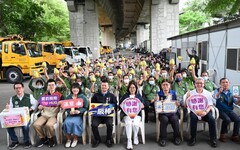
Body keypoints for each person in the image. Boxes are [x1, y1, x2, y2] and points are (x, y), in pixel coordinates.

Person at [185, 77, 217, 147]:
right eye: (197, 83)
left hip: (205, 111)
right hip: (194, 112)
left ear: (204, 84)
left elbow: (210, 105)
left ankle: (213, 139)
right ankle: (193, 138)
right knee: (193, 118)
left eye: (201, 83)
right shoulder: (191, 93)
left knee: (211, 119)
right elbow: (186, 105)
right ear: (195, 84)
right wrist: (187, 97)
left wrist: (205, 112)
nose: (199, 85)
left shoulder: (208, 93)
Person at [33, 79, 64, 148]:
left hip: (54, 115)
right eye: (49, 85)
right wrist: (39, 106)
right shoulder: (44, 95)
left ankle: (50, 138)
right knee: (36, 124)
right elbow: (39, 105)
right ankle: (43, 138)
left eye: (53, 85)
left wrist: (61, 103)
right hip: (44, 114)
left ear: (55, 86)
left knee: (49, 125)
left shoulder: (60, 95)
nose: (51, 86)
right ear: (47, 86)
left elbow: (64, 105)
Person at [6, 82, 38, 149]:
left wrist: (31, 109)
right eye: (16, 88)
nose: (18, 90)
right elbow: (11, 109)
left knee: (25, 125)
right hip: (16, 118)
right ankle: (15, 141)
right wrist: (8, 108)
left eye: (20, 88)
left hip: (26, 117)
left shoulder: (29, 96)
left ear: (23, 88)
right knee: (8, 126)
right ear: (14, 89)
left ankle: (26, 141)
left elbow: (35, 104)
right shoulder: (13, 98)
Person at [91, 78, 117, 148]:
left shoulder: (111, 96)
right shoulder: (96, 95)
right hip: (98, 115)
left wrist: (109, 107)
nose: (104, 87)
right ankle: (97, 139)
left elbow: (115, 105)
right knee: (93, 125)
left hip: (107, 115)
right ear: (100, 87)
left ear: (108, 87)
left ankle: (108, 139)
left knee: (109, 124)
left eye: (105, 86)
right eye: (103, 85)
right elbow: (92, 105)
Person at [119, 81, 144, 150]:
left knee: (135, 124)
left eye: (133, 87)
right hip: (127, 115)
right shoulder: (125, 96)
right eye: (130, 87)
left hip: (137, 115)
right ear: (128, 88)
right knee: (129, 123)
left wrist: (142, 106)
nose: (132, 89)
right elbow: (120, 105)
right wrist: (121, 105)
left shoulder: (139, 96)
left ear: (136, 88)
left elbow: (143, 105)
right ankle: (129, 140)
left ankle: (135, 136)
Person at [214, 78, 240, 142]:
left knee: (237, 119)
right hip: (221, 110)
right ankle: (222, 134)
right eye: (223, 82)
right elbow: (215, 97)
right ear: (220, 84)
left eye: (226, 82)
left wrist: (239, 99)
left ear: (229, 83)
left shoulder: (230, 92)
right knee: (227, 119)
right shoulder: (217, 91)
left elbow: (235, 103)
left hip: (229, 110)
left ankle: (235, 135)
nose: (225, 84)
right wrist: (220, 92)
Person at [63, 83, 89, 148]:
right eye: (74, 88)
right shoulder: (68, 97)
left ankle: (75, 139)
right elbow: (66, 108)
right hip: (71, 115)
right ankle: (68, 139)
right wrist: (69, 112)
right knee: (66, 123)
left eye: (77, 88)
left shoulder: (83, 97)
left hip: (79, 115)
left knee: (75, 123)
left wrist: (79, 111)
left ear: (79, 89)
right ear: (71, 89)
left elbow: (86, 107)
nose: (75, 89)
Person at [156, 80, 181, 147]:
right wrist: (157, 101)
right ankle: (163, 138)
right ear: (161, 86)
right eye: (163, 85)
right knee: (164, 119)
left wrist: (178, 103)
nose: (165, 86)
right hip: (163, 113)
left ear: (169, 86)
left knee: (175, 119)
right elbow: (156, 105)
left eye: (167, 85)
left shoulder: (174, 93)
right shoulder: (158, 94)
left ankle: (177, 137)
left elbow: (179, 102)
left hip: (172, 113)